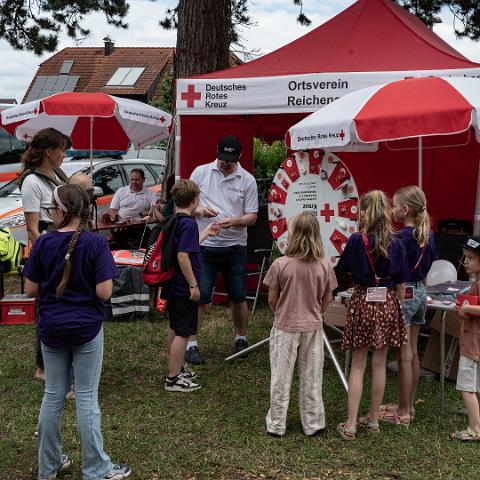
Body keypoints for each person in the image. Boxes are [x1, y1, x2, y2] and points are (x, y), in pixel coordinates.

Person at [23, 184, 131, 480]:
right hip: (86, 329)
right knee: (85, 398)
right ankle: (96, 469)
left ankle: (48, 467)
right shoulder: (95, 244)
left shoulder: (44, 243)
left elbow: (30, 289)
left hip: (51, 329)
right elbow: (105, 292)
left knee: (52, 395)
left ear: (61, 210)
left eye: (50, 209)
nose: (49, 214)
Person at [336, 190, 409, 440]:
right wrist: (396, 307)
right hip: (388, 302)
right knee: (379, 363)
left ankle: (351, 424)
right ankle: (374, 419)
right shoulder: (397, 242)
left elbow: (341, 270)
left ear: (365, 211)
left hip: (362, 300)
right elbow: (401, 282)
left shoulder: (357, 240)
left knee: (358, 364)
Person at [263, 212, 337, 436]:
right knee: (312, 376)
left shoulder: (280, 264)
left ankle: (276, 424)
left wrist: (282, 313)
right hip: (312, 327)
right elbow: (327, 299)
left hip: (285, 326)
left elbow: (271, 299)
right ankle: (313, 424)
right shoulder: (325, 266)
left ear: (293, 234)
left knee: (280, 377)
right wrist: (316, 312)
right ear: (317, 234)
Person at [188, 135, 258, 364]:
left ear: (240, 157)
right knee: (200, 296)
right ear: (216, 151)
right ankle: (191, 343)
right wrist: (200, 211)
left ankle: (241, 338)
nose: (225, 164)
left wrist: (235, 221)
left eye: (230, 160)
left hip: (235, 246)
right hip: (206, 245)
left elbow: (252, 216)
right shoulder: (200, 173)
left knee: (238, 295)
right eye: (222, 158)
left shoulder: (247, 180)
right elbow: (187, 205)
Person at [379, 186, 438, 426]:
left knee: (403, 354)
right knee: (412, 351)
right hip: (421, 293)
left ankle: (402, 411)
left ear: (405, 210)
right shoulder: (429, 234)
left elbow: (392, 268)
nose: (392, 209)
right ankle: (409, 406)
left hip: (406, 294)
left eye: (394, 205)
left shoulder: (401, 237)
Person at [19, 128, 70, 382]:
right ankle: (42, 367)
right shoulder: (32, 182)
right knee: (47, 305)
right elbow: (31, 228)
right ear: (49, 151)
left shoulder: (58, 175)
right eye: (61, 149)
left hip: (63, 244)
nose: (64, 154)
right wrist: (48, 257)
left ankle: (57, 358)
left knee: (61, 302)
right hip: (48, 246)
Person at [164, 180, 220, 392]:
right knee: (184, 332)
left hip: (172, 284)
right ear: (195, 200)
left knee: (174, 327)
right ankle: (173, 378)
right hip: (183, 286)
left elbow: (187, 244)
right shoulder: (188, 223)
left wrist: (206, 233)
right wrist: (193, 285)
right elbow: (182, 255)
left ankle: (174, 367)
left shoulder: (175, 220)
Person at [452, 236, 480, 441]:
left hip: (473, 344)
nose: (466, 261)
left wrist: (466, 308)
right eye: (465, 257)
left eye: (470, 257)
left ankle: (476, 429)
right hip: (474, 342)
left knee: (466, 387)